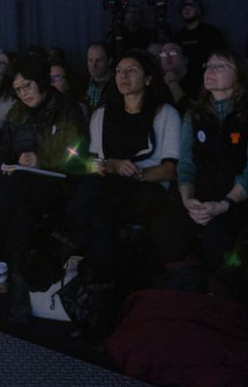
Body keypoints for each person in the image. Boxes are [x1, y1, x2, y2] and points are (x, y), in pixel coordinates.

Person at [64, 49, 182, 336]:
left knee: (96, 197)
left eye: (131, 70)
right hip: (109, 189)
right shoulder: (103, 113)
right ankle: (102, 310)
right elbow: (92, 162)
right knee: (101, 213)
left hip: (148, 189)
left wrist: (132, 173)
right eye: (119, 71)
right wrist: (115, 166)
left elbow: (170, 170)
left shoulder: (165, 114)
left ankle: (64, 243)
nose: (123, 76)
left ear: (149, 77)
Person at [0, 55, 88, 272]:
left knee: (20, 182)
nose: (23, 94)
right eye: (18, 89)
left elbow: (77, 154)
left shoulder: (66, 107)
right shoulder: (17, 112)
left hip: (59, 185)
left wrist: (41, 161)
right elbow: (0, 150)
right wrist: (3, 167)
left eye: (27, 86)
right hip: (21, 186)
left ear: (40, 80)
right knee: (17, 205)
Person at [176, 50, 248, 273]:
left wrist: (224, 204)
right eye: (208, 66)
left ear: (239, 74)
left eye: (220, 66)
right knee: (168, 227)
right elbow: (186, 163)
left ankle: (226, 296)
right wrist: (187, 200)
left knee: (218, 237)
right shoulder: (194, 114)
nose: (210, 71)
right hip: (200, 199)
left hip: (241, 201)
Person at [172, 0, 227, 79]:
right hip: (184, 77)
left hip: (207, 75)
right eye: (184, 8)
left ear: (199, 11)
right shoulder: (178, 36)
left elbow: (221, 56)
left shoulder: (211, 32)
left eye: (191, 8)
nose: (187, 10)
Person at [158, 42, 200, 113]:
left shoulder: (199, 81)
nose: (167, 56)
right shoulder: (157, 83)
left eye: (173, 53)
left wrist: (173, 83)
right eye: (163, 54)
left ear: (185, 59)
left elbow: (190, 113)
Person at [82, 41, 115, 113]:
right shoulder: (81, 83)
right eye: (90, 60)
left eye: (99, 60)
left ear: (109, 61)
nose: (93, 65)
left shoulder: (117, 85)